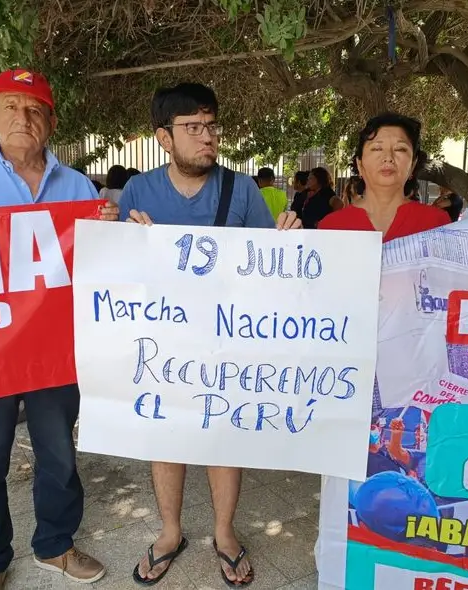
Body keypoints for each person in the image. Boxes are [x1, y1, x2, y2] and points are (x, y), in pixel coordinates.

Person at [0, 68, 116, 589]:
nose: (22, 118)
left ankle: (55, 544)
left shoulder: (79, 187)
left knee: (58, 452)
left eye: (34, 109)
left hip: (55, 349)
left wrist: (112, 229)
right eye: (10, 106)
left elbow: (96, 266)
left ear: (51, 121)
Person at [119, 82, 301, 587]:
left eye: (212, 126)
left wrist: (288, 242)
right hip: (162, 342)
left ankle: (224, 534)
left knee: (225, 436)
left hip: (229, 338)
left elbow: (269, 265)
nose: (207, 137)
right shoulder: (138, 190)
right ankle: (170, 532)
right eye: (193, 128)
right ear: (163, 136)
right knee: (166, 436)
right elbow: (117, 269)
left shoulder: (240, 189)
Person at [318, 113, 450, 238]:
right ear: (359, 164)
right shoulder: (330, 227)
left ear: (413, 164)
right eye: (377, 148)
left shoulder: (437, 223)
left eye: (400, 149)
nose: (388, 157)